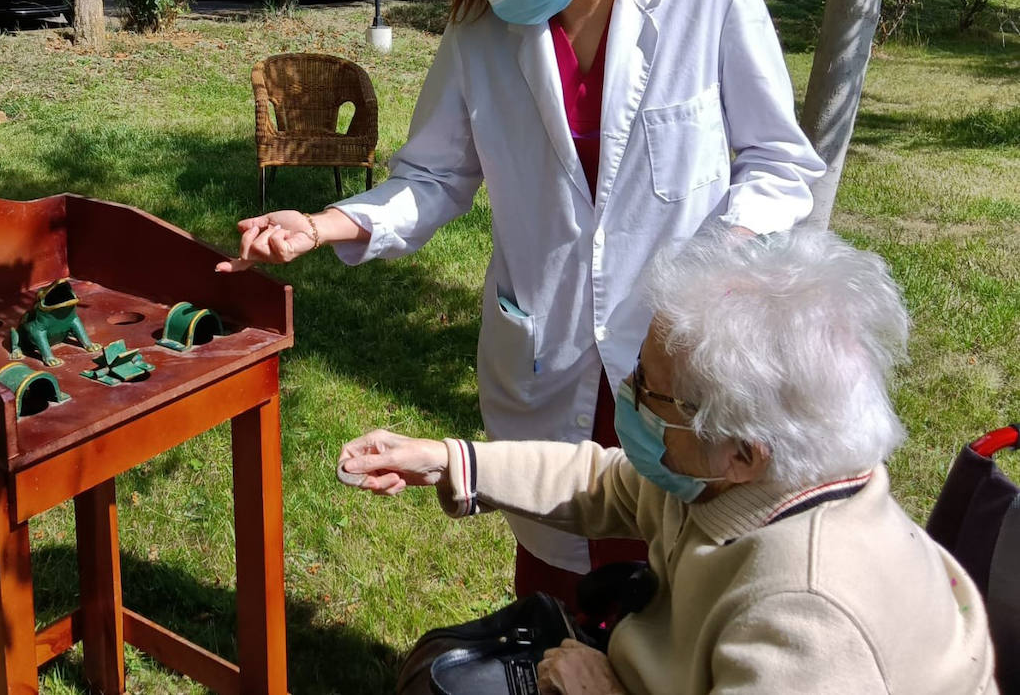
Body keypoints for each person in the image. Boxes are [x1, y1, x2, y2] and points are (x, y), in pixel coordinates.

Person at [219, 0, 825, 600]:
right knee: (562, 582)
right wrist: (328, 225)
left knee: (692, 585)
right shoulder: (482, 34)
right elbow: (432, 176)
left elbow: (779, 165)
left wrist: (709, 272)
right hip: (553, 353)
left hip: (683, 361)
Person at [337, 229, 999, 695]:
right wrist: (449, 461)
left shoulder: (807, 621)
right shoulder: (733, 482)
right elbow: (605, 484)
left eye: (649, 388)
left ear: (742, 451)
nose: (625, 394)